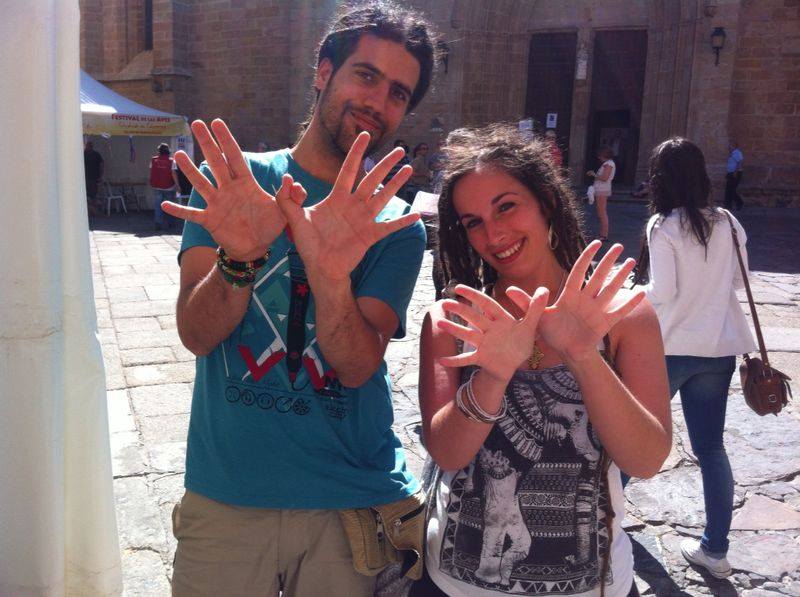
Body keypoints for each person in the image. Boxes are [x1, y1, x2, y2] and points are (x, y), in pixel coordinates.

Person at [160, 3, 437, 595]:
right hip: (229, 492)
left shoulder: (395, 227)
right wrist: (239, 259)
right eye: (365, 75)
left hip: (348, 504)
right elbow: (197, 334)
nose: (377, 101)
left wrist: (332, 273)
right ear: (323, 70)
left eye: (398, 93)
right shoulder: (237, 186)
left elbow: (358, 365)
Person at [416, 124, 671, 596]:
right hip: (454, 584)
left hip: (592, 584)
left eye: (506, 206)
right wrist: (493, 373)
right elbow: (448, 453)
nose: (494, 234)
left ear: (547, 202)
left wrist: (583, 356)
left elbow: (647, 457)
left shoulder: (625, 315)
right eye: (472, 221)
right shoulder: (451, 321)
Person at [632, 137, 755, 579]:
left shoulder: (663, 227)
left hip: (670, 349)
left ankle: (603, 517)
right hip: (717, 350)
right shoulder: (727, 221)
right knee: (712, 448)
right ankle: (716, 550)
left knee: (631, 434)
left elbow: (662, 293)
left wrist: (631, 294)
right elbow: (739, 285)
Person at [148, 143, 180, 230]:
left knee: (158, 206)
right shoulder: (171, 161)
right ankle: (171, 223)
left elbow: (152, 170)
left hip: (157, 186)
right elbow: (173, 173)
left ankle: (158, 223)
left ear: (159, 151)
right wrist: (177, 185)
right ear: (168, 151)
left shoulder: (153, 160)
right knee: (170, 205)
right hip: (169, 186)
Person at [587, 145, 616, 241]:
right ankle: (603, 234)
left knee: (602, 213)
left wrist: (594, 175)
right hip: (602, 189)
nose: (599, 157)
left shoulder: (608, 164)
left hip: (602, 190)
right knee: (601, 212)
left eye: (600, 155)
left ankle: (603, 235)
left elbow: (604, 178)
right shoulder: (609, 163)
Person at [83, 140, 104, 215]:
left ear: (90, 147)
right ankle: (91, 210)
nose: (86, 147)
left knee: (93, 195)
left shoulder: (96, 154)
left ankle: (96, 210)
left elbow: (102, 164)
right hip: (85, 178)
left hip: (94, 178)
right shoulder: (84, 154)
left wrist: (101, 175)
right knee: (87, 195)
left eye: (87, 146)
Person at [724, 139, 744, 210]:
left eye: (730, 145)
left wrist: (735, 173)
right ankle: (728, 206)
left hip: (735, 173)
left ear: (734, 146)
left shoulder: (737, 153)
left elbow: (740, 163)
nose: (729, 146)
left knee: (732, 190)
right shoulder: (732, 153)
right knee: (728, 189)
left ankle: (740, 202)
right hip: (731, 173)